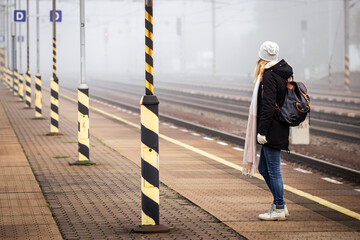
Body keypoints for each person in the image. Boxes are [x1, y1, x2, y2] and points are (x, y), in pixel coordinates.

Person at [243, 41, 292, 221]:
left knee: (273, 170)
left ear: (261, 57)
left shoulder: (270, 75)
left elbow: (269, 105)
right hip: (277, 126)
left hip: (272, 129)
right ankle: (280, 204)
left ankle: (279, 207)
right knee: (264, 168)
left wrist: (262, 132)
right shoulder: (280, 72)